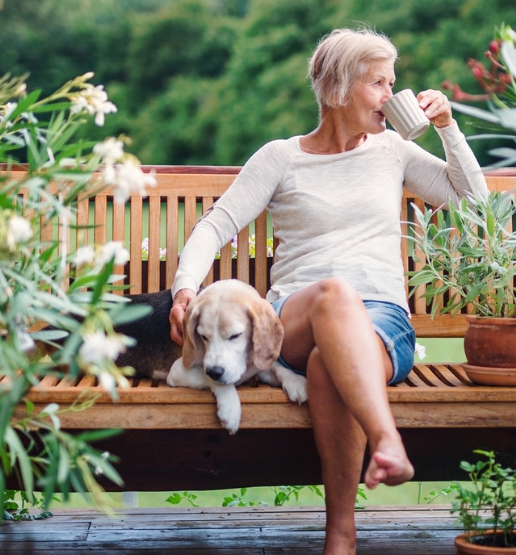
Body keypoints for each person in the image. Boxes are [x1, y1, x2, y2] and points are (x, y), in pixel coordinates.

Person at [168, 27, 488, 554]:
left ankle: (340, 537)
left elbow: (473, 203)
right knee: (335, 294)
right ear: (339, 89)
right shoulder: (281, 158)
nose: (392, 95)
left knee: (325, 366)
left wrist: (449, 127)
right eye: (378, 83)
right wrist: (185, 289)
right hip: (292, 318)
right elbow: (215, 224)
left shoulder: (394, 151)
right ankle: (387, 441)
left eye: (393, 83)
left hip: (382, 321)